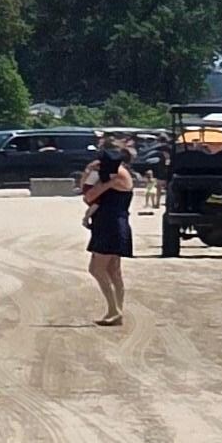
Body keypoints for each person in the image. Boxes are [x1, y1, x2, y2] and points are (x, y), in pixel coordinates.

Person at [81, 130, 135, 326]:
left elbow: (89, 195)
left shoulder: (116, 176)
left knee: (96, 268)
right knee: (113, 270)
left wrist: (98, 176)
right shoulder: (117, 173)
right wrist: (90, 173)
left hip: (110, 224)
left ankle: (115, 310)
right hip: (113, 222)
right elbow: (88, 191)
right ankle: (116, 312)